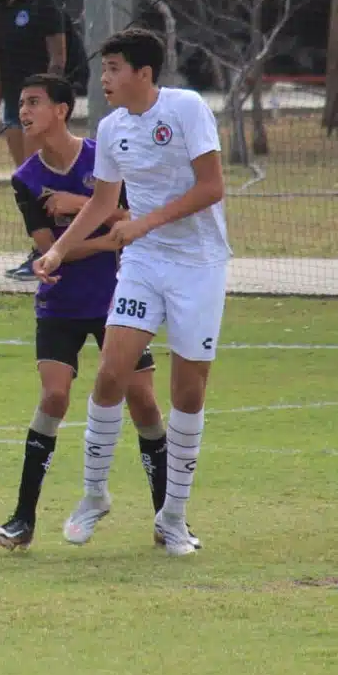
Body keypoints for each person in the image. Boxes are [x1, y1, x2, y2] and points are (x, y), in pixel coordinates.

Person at [35, 28, 229, 557]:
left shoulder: (186, 108)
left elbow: (211, 187)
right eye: (104, 69)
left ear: (144, 73)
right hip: (144, 265)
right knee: (111, 373)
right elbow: (102, 202)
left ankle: (172, 516)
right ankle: (94, 494)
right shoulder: (112, 127)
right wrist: (58, 250)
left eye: (115, 68)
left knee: (187, 394)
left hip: (198, 267)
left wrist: (143, 224)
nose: (106, 79)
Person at [0, 74, 196, 552]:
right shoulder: (25, 179)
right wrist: (106, 240)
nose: (24, 111)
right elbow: (49, 250)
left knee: (143, 402)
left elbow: (131, 217)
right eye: (21, 103)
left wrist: (79, 206)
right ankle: (22, 519)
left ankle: (168, 521)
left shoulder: (101, 156)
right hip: (60, 304)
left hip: (116, 302)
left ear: (62, 109)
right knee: (54, 397)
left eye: (34, 102)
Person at [0, 0, 67, 280]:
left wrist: (46, 102)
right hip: (14, 109)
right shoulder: (0, 5)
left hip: (38, 107)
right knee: (27, 183)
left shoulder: (43, 1)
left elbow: (58, 59)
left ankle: (52, 251)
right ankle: (41, 249)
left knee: (43, 181)